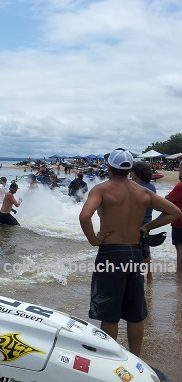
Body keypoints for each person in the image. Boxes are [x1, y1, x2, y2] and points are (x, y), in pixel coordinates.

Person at [79, 148, 182, 357]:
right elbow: (174, 212)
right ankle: (136, 359)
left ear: (109, 167)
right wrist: (146, 228)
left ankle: (108, 360)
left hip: (111, 253)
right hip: (135, 253)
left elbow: (84, 217)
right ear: (129, 169)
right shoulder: (143, 192)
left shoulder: (101, 189)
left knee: (109, 314)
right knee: (135, 314)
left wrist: (93, 240)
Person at [130, 161, 156, 283]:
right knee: (145, 250)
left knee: (133, 250)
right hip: (148, 222)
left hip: (136, 223)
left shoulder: (136, 187)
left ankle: (137, 277)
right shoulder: (152, 187)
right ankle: (149, 277)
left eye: (131, 172)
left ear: (135, 173)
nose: (130, 174)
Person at [166, 160, 182, 275]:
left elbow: (168, 200)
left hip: (179, 221)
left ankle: (180, 272)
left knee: (180, 246)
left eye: (180, 167)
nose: (178, 169)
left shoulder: (180, 186)